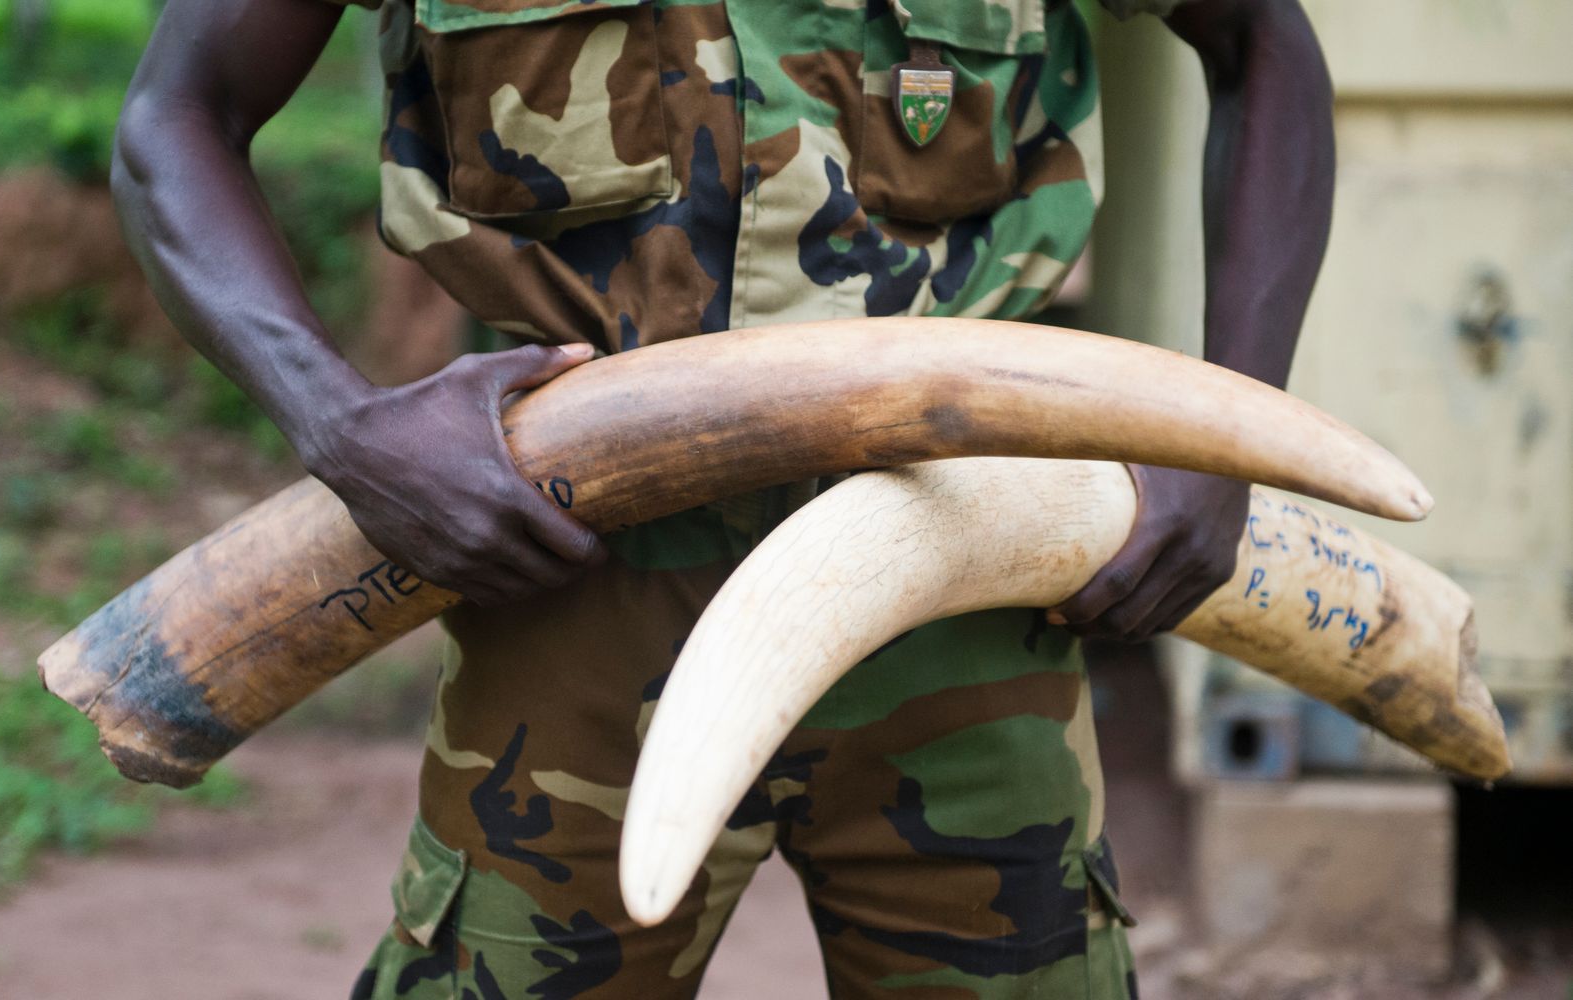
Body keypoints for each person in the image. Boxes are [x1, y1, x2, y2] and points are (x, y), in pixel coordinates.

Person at [110, 0, 1333, 995]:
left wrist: (1223, 441)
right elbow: (178, 113)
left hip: (960, 591)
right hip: (572, 601)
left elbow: (1258, 40)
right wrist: (341, 423)